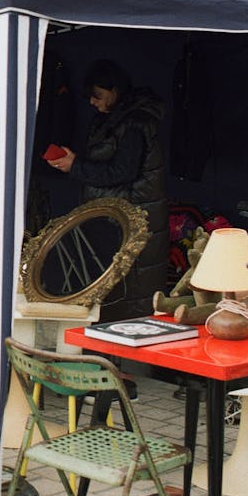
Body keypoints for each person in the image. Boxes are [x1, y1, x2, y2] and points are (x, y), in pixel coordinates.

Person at [46, 59, 168, 320]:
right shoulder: (116, 119)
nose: (92, 102)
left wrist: (75, 166)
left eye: (98, 95)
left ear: (116, 91)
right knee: (113, 286)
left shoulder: (135, 122)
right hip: (115, 217)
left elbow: (123, 172)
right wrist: (75, 162)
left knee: (130, 290)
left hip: (130, 219)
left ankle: (125, 353)